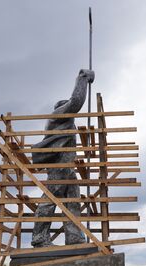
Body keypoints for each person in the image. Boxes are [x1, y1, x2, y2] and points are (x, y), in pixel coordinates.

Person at [31, 69, 95, 247]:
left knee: (73, 202)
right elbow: (76, 102)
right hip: (59, 167)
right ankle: (39, 238)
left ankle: (73, 237)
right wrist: (83, 79)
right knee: (50, 199)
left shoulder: (66, 123)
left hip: (68, 168)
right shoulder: (57, 117)